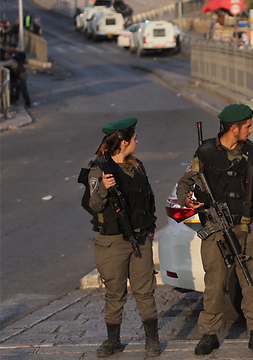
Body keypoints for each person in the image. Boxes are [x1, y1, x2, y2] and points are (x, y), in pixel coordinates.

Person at [176, 104, 253, 356]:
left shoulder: (250, 151)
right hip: (215, 228)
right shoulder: (205, 152)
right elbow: (184, 183)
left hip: (244, 225)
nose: (251, 130)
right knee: (214, 282)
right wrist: (186, 199)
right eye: (248, 126)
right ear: (234, 128)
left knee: (252, 281)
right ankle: (209, 334)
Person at [87, 118, 161, 357]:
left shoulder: (137, 166)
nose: (137, 141)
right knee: (115, 293)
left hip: (140, 239)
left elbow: (148, 200)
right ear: (123, 142)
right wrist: (103, 189)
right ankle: (113, 340)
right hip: (112, 242)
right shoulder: (99, 170)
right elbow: (94, 205)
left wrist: (150, 229)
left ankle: (152, 339)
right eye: (134, 138)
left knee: (145, 291)